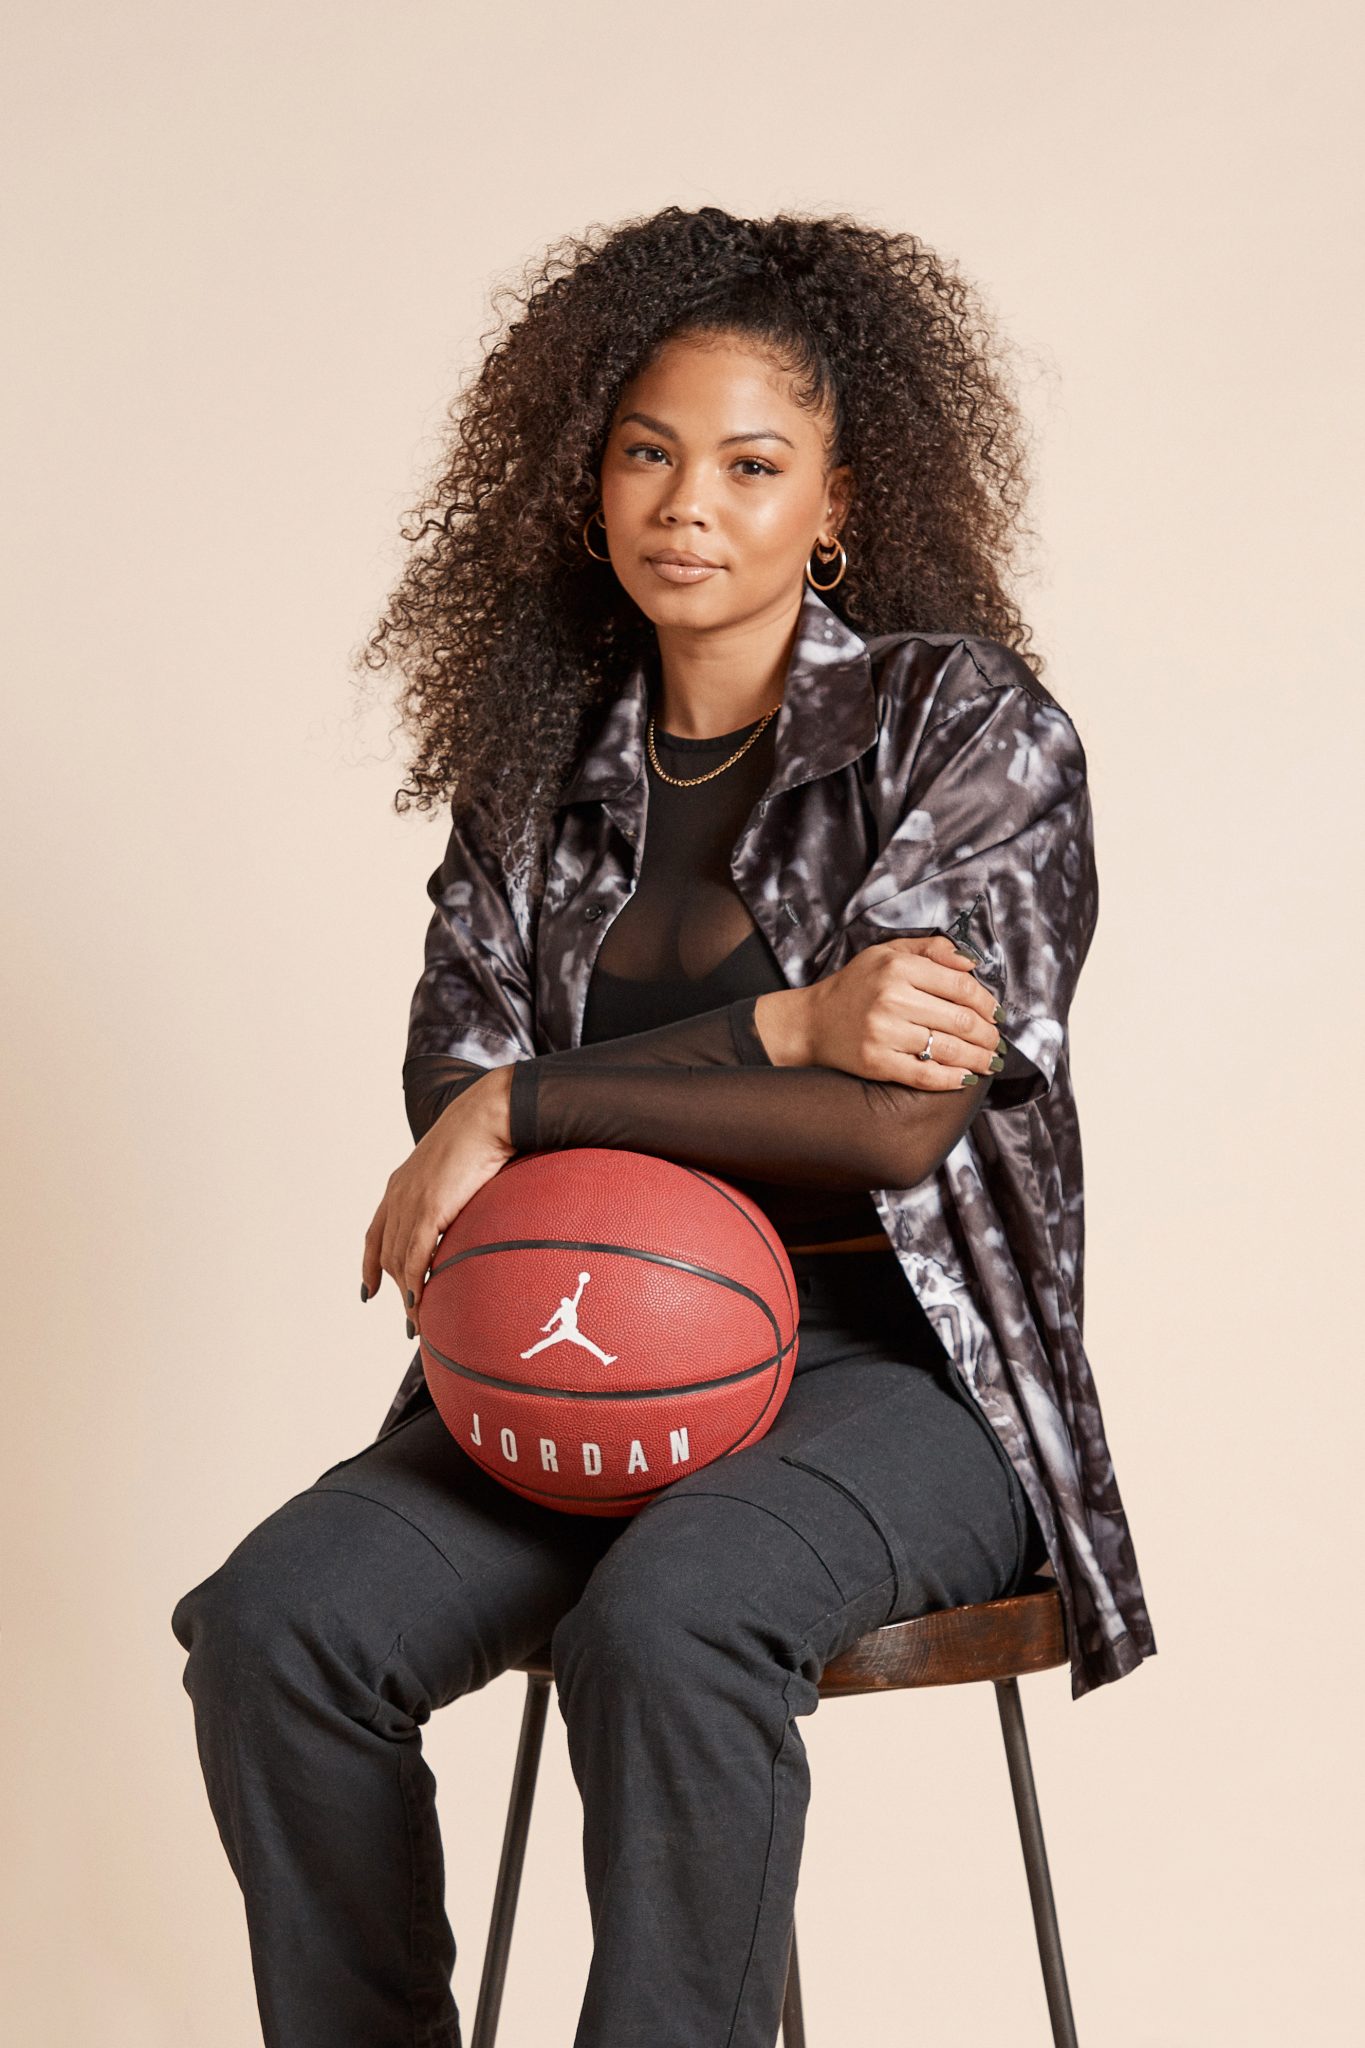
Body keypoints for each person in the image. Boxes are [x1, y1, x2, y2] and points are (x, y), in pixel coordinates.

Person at [171, 204, 1156, 2048]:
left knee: (670, 1621)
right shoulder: (534, 777)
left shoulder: (964, 729)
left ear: (835, 502)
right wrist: (779, 1028)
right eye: (645, 453)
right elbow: (448, 1110)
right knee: (278, 1626)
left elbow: (889, 1131)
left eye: (749, 465)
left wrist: (540, 1096)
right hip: (578, 1351)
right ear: (587, 480)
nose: (686, 504)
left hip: (901, 1376)